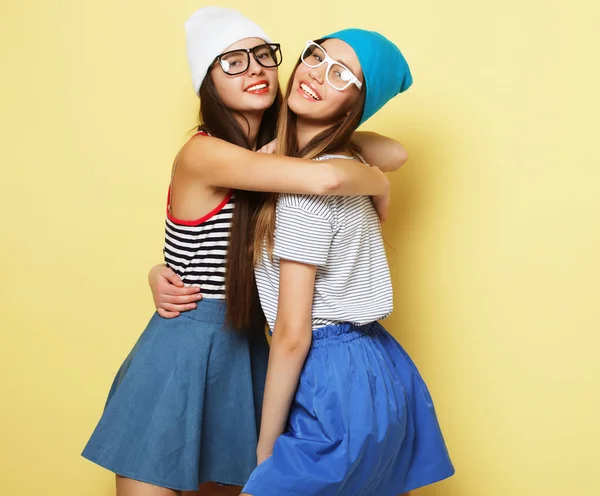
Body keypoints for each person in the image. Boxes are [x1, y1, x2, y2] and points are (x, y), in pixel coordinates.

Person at [82, 7, 406, 496]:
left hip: (253, 345)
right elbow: (330, 177)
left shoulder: (276, 152)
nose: (254, 68)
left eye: (262, 56)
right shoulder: (204, 152)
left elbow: (395, 152)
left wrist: (335, 137)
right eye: (231, 61)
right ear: (208, 82)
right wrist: (373, 178)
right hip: (187, 346)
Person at [239, 30, 455, 496]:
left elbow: (293, 335)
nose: (316, 73)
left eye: (340, 74)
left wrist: (265, 446)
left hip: (329, 372)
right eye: (315, 56)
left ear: (355, 106)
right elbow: (392, 155)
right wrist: (377, 180)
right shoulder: (347, 163)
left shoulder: (307, 196)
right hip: (379, 367)